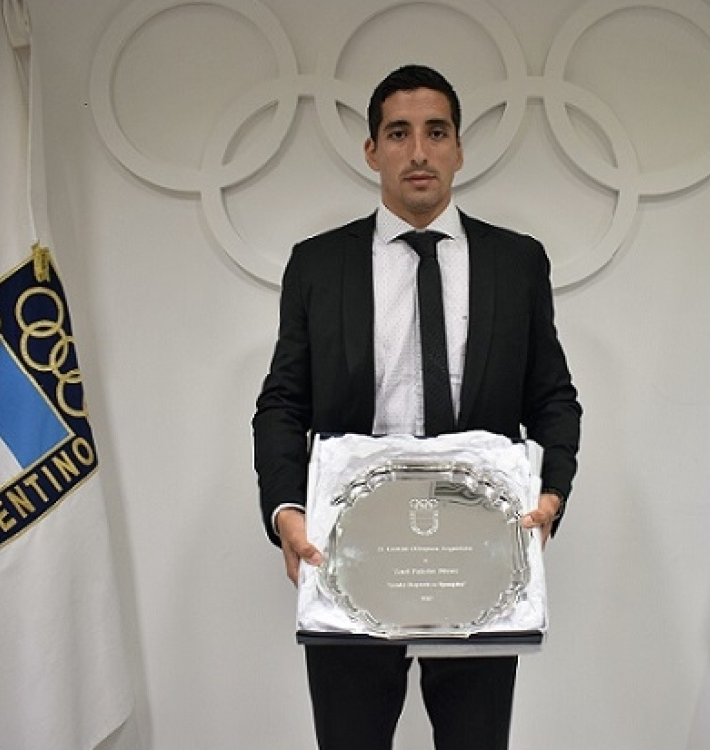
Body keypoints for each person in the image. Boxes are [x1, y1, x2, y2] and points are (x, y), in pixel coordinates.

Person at [252, 63, 582, 750]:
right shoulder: (317, 264)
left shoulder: (517, 262)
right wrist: (286, 511)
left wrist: (551, 495)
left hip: (480, 551)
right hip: (351, 547)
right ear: (372, 151)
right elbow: (283, 402)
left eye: (436, 132)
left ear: (459, 148)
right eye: (398, 133)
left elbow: (552, 397)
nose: (419, 151)